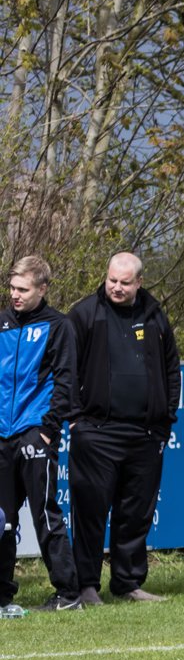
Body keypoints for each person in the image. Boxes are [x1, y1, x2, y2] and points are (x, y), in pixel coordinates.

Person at [66, 252, 181, 605]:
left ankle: (127, 583)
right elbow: (66, 370)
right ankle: (86, 585)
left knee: (135, 514)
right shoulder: (85, 314)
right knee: (90, 513)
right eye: (112, 280)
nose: (116, 287)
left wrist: (164, 422)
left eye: (125, 282)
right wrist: (76, 419)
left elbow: (172, 370)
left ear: (139, 282)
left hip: (145, 435)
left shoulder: (155, 316)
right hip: (96, 432)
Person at [0, 256, 80, 614]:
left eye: (22, 289)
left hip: (35, 432)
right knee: (1, 518)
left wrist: (48, 431)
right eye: (12, 288)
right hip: (2, 434)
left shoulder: (59, 326)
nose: (14, 295)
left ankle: (68, 593)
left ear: (42, 289)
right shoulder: (1, 323)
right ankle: (3, 593)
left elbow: (66, 381)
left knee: (44, 514)